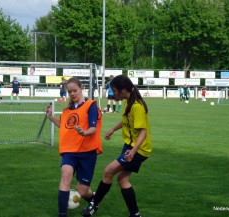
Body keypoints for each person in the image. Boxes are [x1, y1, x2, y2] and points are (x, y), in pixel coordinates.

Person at [81, 75, 152, 217]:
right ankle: (135, 214)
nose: (114, 93)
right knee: (123, 179)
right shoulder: (128, 102)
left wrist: (133, 151)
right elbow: (126, 122)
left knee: (108, 171)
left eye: (115, 90)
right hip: (130, 146)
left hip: (138, 149)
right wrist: (113, 129)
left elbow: (143, 131)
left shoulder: (137, 106)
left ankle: (93, 205)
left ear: (124, 90)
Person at [45, 77, 102, 217]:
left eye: (75, 90)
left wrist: (84, 132)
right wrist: (51, 117)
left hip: (87, 152)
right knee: (66, 176)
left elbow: (93, 128)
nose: (72, 94)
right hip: (69, 151)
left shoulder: (90, 105)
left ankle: (93, 199)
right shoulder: (67, 110)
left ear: (81, 88)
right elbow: (65, 127)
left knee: (82, 190)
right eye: (69, 91)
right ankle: (62, 214)